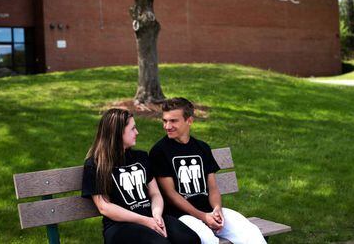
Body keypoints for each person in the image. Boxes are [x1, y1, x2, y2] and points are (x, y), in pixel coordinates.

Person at [149, 98, 267, 244]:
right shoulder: (160, 151)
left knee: (250, 232)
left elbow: (212, 187)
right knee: (207, 239)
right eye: (165, 121)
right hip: (181, 216)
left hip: (208, 210)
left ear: (189, 120)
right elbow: (171, 194)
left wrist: (217, 209)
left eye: (173, 121)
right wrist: (203, 216)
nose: (167, 126)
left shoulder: (202, 148)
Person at [82, 108, 200, 244]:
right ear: (117, 133)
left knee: (191, 239)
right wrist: (144, 221)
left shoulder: (141, 157)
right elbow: (104, 207)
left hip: (151, 217)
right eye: (133, 129)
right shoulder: (96, 164)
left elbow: (155, 193)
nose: (137, 132)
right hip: (121, 226)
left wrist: (156, 214)